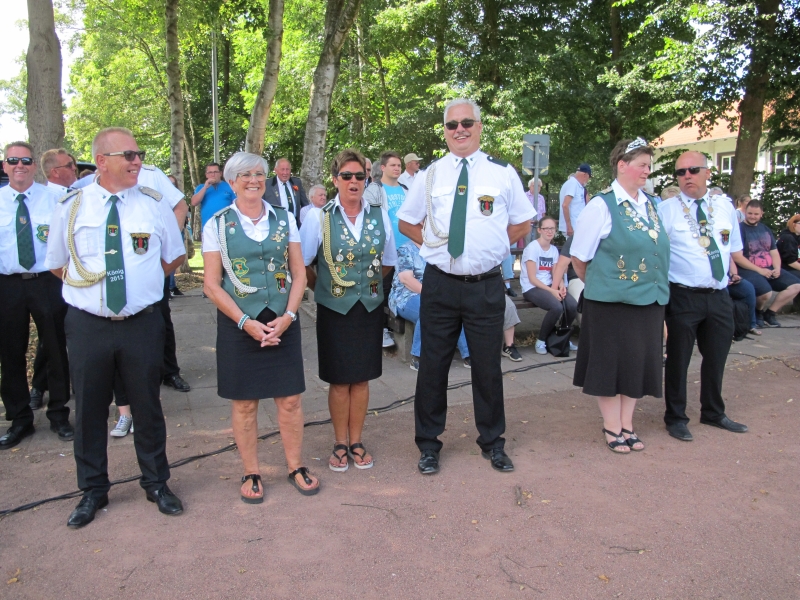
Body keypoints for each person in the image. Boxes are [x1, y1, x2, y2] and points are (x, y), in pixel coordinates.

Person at [45, 127, 186, 527]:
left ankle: (156, 482)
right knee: (89, 407)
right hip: (88, 325)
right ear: (102, 161)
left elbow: (174, 257)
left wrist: (140, 286)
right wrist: (94, 295)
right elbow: (57, 263)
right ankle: (93, 489)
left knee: (147, 404)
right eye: (129, 155)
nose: (137, 161)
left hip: (141, 323)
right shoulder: (72, 205)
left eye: (139, 154)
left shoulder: (153, 203)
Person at [397, 98, 534, 475]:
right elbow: (407, 221)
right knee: (433, 368)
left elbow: (523, 223)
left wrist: (493, 247)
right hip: (440, 285)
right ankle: (428, 445)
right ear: (444, 131)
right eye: (452, 124)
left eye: (467, 123)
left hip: (484, 286)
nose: (459, 130)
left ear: (479, 126)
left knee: (487, 367)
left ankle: (493, 442)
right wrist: (433, 245)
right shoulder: (430, 175)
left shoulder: (502, 173)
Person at [202, 152, 318, 501]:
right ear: (232, 181)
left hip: (282, 318)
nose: (253, 180)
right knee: (244, 404)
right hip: (239, 322)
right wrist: (244, 322)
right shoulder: (216, 224)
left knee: (290, 400)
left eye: (258, 174)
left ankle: (295, 466)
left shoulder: (285, 218)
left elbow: (299, 274)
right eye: (245, 175)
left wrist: (290, 316)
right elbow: (211, 285)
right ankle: (251, 471)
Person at [300, 149, 398, 472]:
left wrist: (366, 287)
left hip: (368, 308)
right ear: (335, 180)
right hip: (334, 310)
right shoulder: (318, 217)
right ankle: (340, 442)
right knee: (340, 381)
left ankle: (356, 441)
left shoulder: (379, 215)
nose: (354, 181)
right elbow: (302, 263)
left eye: (359, 176)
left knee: (362, 379)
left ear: (366, 179)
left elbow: (388, 261)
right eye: (346, 176)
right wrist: (325, 287)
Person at [570, 138, 669, 453]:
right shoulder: (601, 205)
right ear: (622, 165)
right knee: (610, 366)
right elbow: (579, 258)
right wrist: (604, 285)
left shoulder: (651, 205)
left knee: (636, 364)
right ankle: (612, 427)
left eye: (649, 165)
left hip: (649, 300)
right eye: (642, 165)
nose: (647, 170)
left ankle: (627, 424)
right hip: (610, 304)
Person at [658, 150, 747, 442]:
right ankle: (676, 417)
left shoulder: (725, 207)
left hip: (719, 294)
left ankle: (713, 412)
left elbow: (732, 248)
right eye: (680, 172)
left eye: (693, 170)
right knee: (678, 360)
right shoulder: (666, 210)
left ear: (708, 173)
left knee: (716, 357)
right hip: (683, 295)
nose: (687, 176)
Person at [0, 142, 73, 450]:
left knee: (55, 348)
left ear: (34, 166)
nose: (20, 165)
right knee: (10, 352)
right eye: (13, 160)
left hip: (47, 280)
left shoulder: (54, 198)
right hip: (8, 284)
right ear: (4, 165)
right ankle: (19, 419)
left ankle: (59, 414)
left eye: (26, 160)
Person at [29, 149, 81, 410]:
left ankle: (48, 385)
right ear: (55, 172)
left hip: (77, 274)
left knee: (64, 331)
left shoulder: (78, 193)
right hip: (53, 276)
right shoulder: (47, 199)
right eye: (70, 165)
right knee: (53, 335)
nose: (75, 168)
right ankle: (40, 386)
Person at [389, 239, 471, 371]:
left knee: (454, 307)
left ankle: (469, 355)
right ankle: (418, 356)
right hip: (405, 295)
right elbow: (406, 279)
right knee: (429, 309)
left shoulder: (437, 249)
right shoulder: (405, 249)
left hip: (435, 294)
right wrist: (432, 295)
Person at [364, 151, 410, 349]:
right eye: (393, 165)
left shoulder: (406, 189)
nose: (397, 168)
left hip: (407, 249)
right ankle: (381, 328)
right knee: (383, 288)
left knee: (405, 288)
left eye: (399, 165)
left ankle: (400, 326)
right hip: (385, 249)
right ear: (383, 168)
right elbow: (367, 217)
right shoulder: (375, 189)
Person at [733, 200, 800, 328]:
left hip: (769, 268)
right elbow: (737, 257)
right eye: (750, 213)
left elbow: (774, 252)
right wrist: (760, 270)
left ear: (761, 214)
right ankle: (758, 312)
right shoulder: (738, 230)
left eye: (756, 214)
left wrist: (777, 268)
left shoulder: (765, 229)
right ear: (745, 212)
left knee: (796, 286)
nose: (752, 216)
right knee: (766, 293)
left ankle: (770, 314)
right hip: (748, 269)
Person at [521, 217, 579, 355]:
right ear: (539, 230)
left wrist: (561, 286)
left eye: (552, 228)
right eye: (546, 228)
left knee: (572, 305)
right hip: (532, 287)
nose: (549, 231)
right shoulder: (532, 249)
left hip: (549, 286)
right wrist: (552, 291)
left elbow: (555, 272)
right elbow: (532, 278)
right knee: (556, 307)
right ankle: (541, 340)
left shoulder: (553, 250)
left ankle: (561, 337)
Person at [265, 158, 309, 226]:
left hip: (295, 224)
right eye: (282, 169)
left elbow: (305, 205)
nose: (285, 173)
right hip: (275, 225)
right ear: (276, 170)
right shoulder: (267, 184)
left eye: (287, 169)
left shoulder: (296, 182)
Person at [191, 162, 235, 228]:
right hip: (208, 226)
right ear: (206, 175)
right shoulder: (201, 188)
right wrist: (205, 187)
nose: (212, 175)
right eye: (210, 172)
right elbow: (194, 202)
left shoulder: (229, 186)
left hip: (227, 225)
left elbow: (237, 204)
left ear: (220, 173)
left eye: (215, 172)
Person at [559, 164, 591, 237]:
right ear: (585, 175)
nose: (588, 180)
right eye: (589, 177)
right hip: (573, 227)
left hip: (576, 226)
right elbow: (565, 205)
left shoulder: (577, 185)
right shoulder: (573, 184)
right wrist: (569, 226)